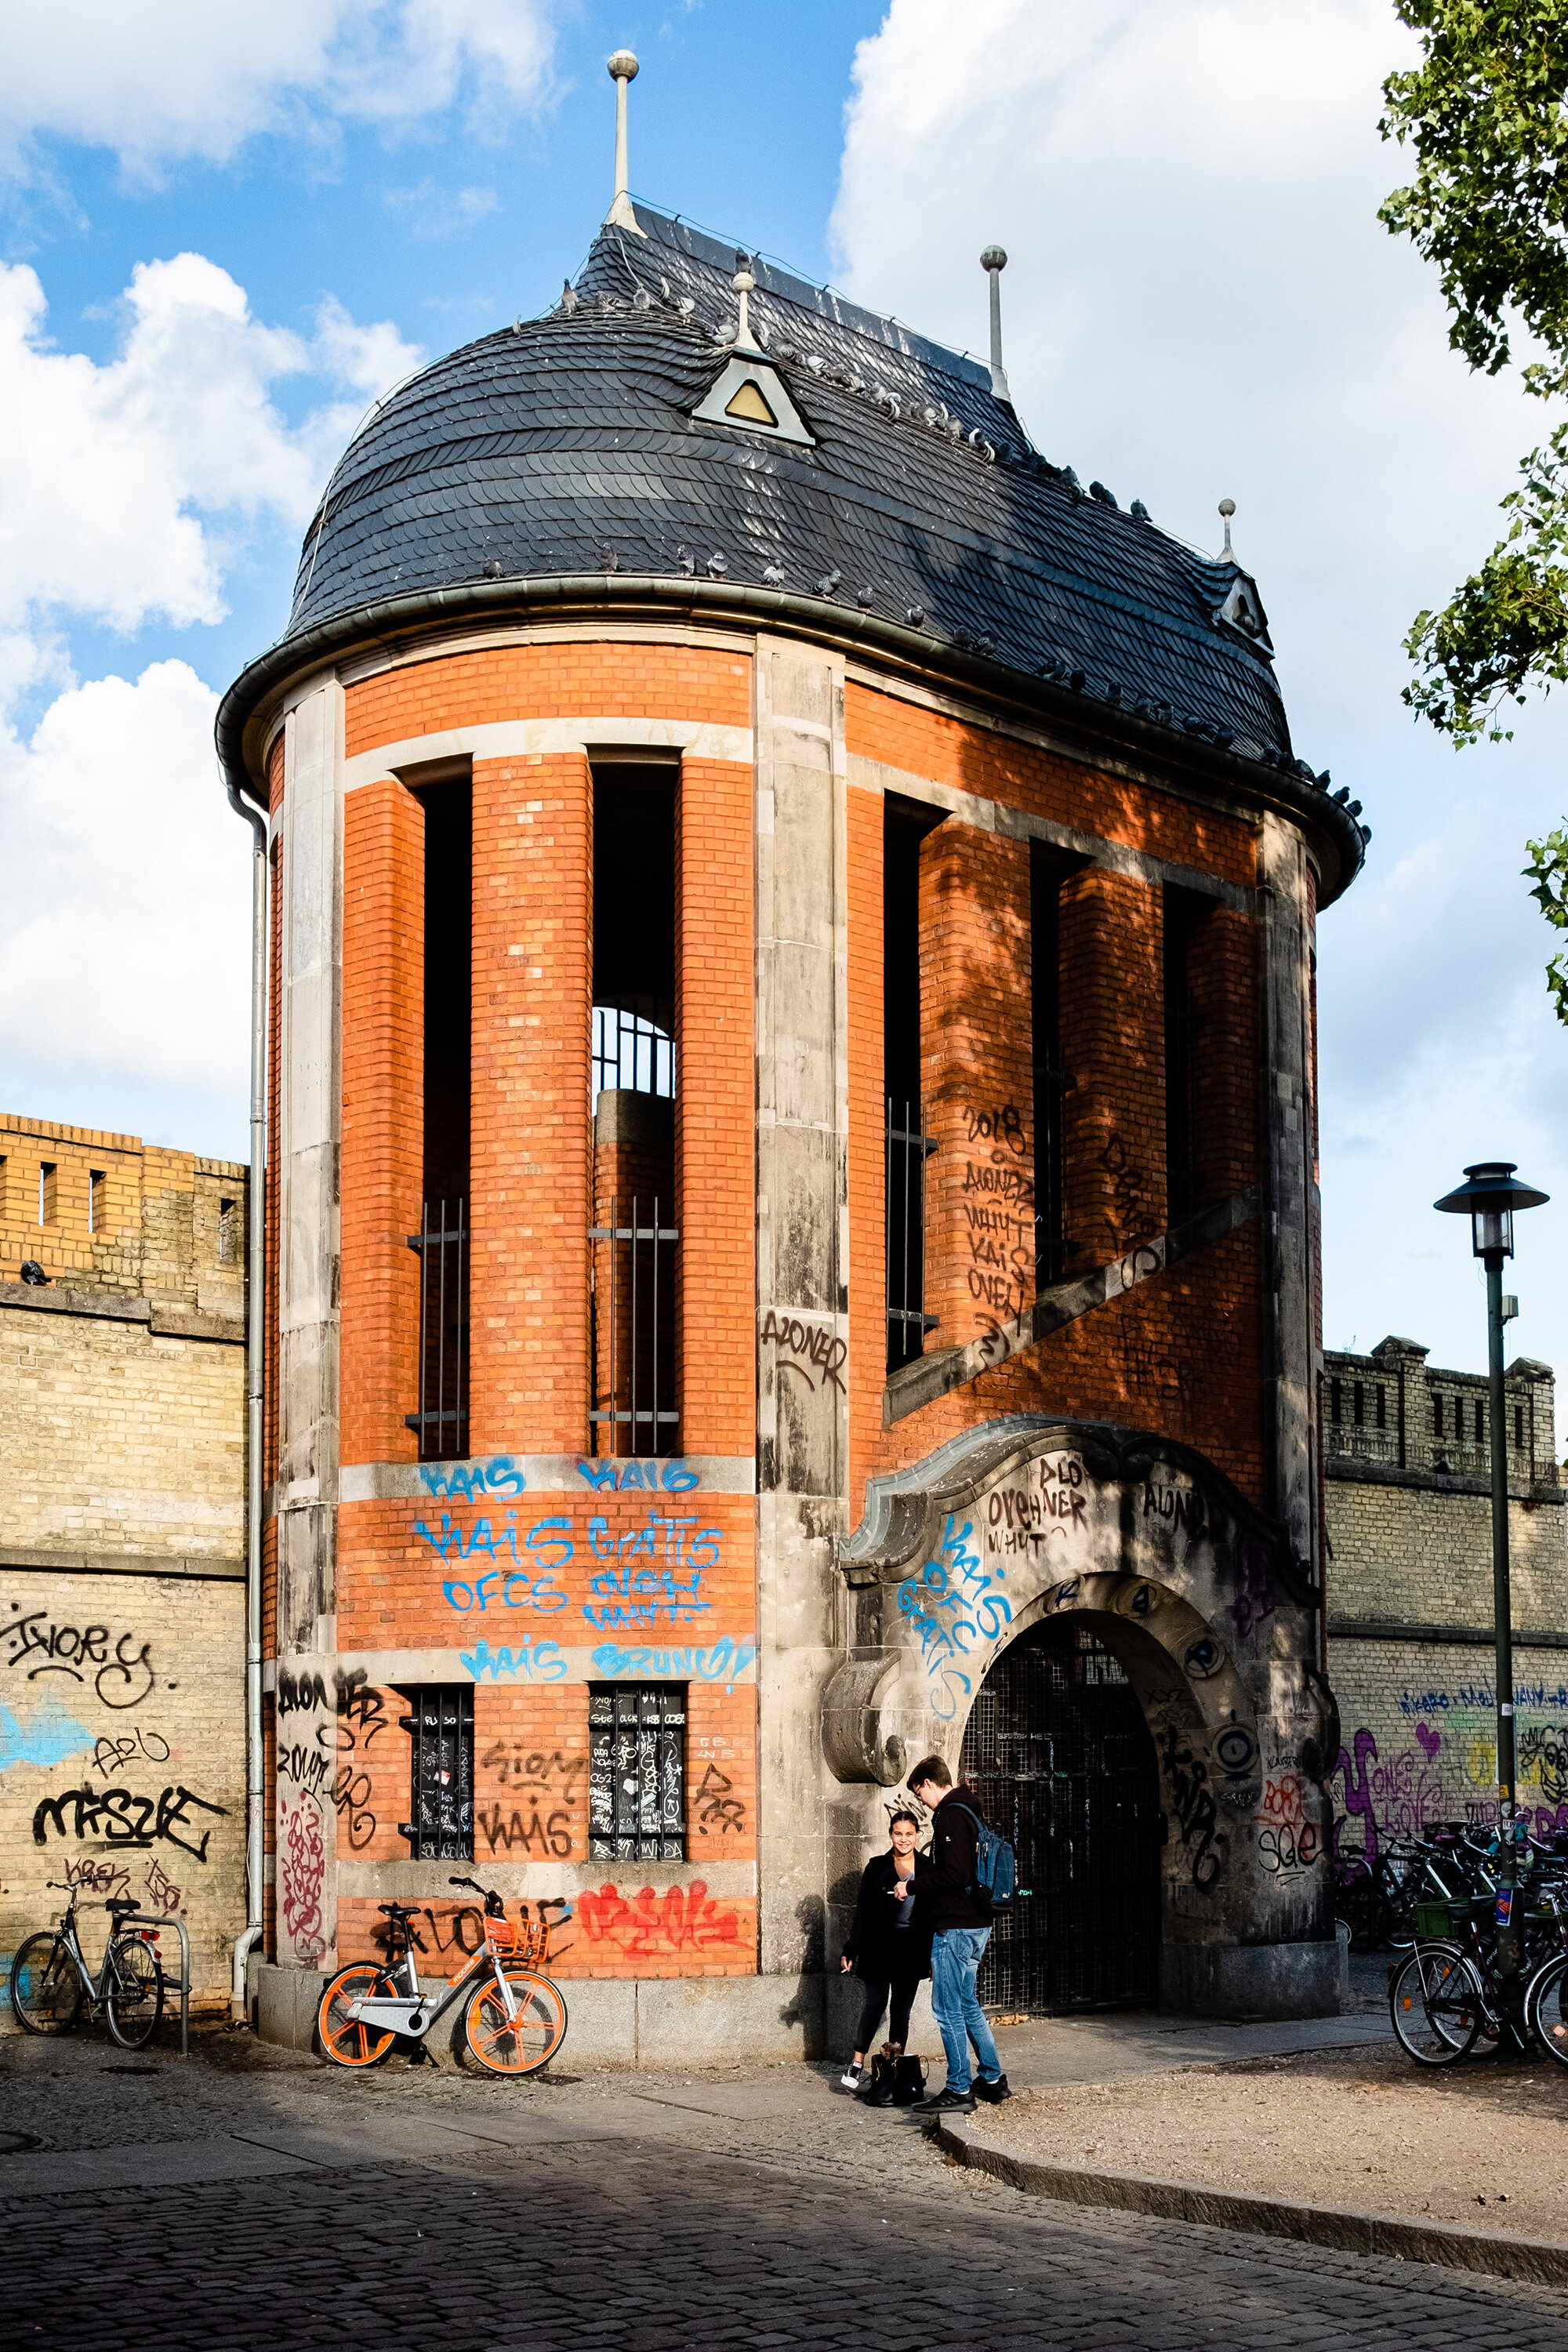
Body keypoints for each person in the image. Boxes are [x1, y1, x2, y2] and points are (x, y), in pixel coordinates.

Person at [905, 1754, 1011, 2114]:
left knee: (947, 2009)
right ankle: (993, 2080)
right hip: (977, 1923)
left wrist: (913, 1885)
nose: (921, 1802)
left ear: (930, 1784)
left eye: (920, 1795)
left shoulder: (950, 1814)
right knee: (967, 2004)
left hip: (956, 1927)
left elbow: (955, 1875)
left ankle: (959, 2088)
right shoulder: (970, 1810)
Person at [838, 1808, 932, 2091]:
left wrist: (931, 1957)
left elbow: (932, 1915)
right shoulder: (876, 1866)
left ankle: (894, 2065)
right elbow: (863, 1914)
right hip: (878, 1949)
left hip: (911, 1949)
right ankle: (856, 2063)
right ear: (891, 1835)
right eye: (898, 1833)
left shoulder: (928, 1869)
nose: (903, 1839)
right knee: (875, 2005)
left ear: (918, 1835)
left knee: (901, 2010)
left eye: (909, 1834)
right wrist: (850, 1949)